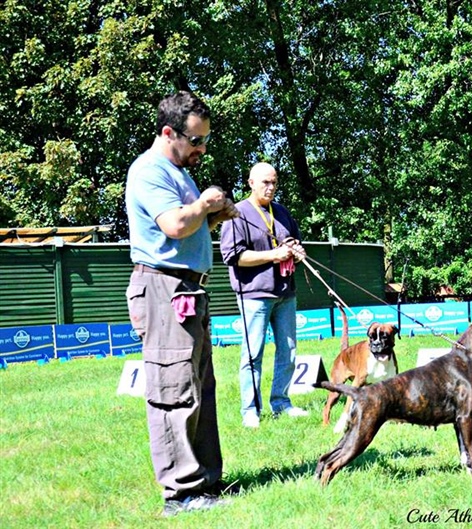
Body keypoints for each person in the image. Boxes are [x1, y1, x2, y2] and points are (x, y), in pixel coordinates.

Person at [125, 91, 239, 516]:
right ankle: (180, 493)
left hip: (188, 290)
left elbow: (188, 224)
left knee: (200, 389)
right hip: (163, 291)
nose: (202, 149)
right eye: (196, 141)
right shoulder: (148, 170)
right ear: (169, 132)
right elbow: (173, 225)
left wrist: (213, 215)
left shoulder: (177, 171)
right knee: (173, 391)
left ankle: (207, 481)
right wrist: (204, 204)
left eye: (204, 140)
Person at [220, 162, 308, 428]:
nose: (270, 188)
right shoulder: (237, 214)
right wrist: (273, 255)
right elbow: (232, 256)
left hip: (285, 292)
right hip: (254, 294)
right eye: (265, 183)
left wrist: (297, 252)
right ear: (250, 183)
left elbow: (295, 241)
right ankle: (250, 410)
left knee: (288, 351)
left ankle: (281, 402)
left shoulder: (281, 212)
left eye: (274, 182)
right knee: (252, 354)